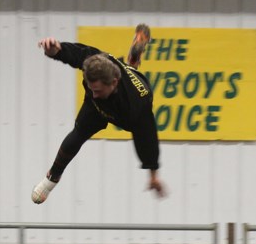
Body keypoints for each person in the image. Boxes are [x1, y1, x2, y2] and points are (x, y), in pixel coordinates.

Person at [32, 24, 167, 204]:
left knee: (130, 71)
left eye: (98, 90)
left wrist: (153, 174)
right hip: (100, 105)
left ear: (113, 83)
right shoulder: (95, 61)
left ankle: (133, 60)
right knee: (78, 133)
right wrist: (56, 50)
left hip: (126, 105)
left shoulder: (136, 106)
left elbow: (147, 139)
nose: (94, 93)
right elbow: (76, 53)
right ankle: (52, 177)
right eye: (91, 88)